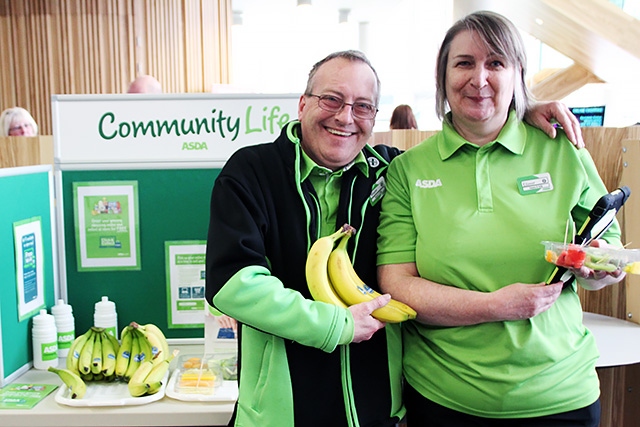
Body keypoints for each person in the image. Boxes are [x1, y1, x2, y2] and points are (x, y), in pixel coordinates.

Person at [205, 49, 585, 427]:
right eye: (331, 99)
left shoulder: (392, 171)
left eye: (362, 107)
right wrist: (335, 325)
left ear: (374, 117)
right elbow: (232, 285)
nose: (345, 117)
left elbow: (462, 156)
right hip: (280, 413)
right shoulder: (250, 172)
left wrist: (519, 114)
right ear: (303, 104)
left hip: (380, 413)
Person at [376, 11, 625, 427]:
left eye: (496, 63)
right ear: (442, 76)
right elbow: (396, 284)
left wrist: (599, 264)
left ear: (517, 73)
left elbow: (609, 249)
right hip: (444, 399)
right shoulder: (408, 170)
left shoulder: (563, 150)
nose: (479, 78)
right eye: (464, 63)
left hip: (561, 397)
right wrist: (495, 306)